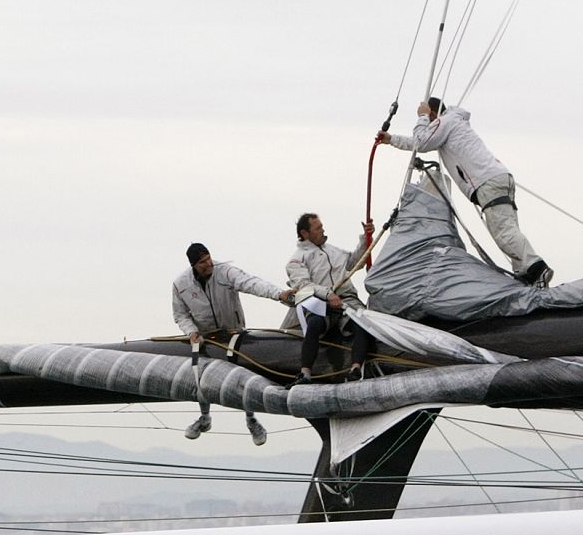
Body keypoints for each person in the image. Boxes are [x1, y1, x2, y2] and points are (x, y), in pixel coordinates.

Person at [376, 98, 551, 287]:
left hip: (487, 182)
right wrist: (391, 139)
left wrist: (422, 116)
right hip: (498, 177)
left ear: (434, 114)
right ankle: (526, 276)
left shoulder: (445, 122)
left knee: (504, 233)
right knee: (507, 229)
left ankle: (537, 268)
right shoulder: (452, 123)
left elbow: (422, 142)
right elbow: (421, 141)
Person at [170, 243, 294, 444]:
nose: (209, 263)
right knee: (201, 377)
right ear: (194, 265)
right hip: (206, 337)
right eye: (203, 262)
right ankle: (204, 417)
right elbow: (180, 314)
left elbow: (251, 283)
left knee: (242, 377)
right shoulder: (180, 284)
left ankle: (251, 420)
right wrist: (191, 332)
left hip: (234, 332)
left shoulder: (225, 272)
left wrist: (279, 294)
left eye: (209, 258)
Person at [286, 212, 376, 383]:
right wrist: (328, 294)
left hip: (346, 299)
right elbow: (304, 285)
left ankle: (356, 369)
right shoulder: (296, 260)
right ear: (305, 233)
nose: (322, 230)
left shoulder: (333, 250)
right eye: (318, 228)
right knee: (314, 324)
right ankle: (305, 373)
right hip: (320, 302)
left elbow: (355, 262)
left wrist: (366, 238)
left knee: (362, 322)